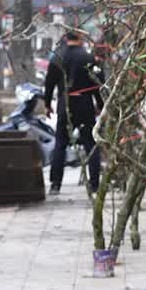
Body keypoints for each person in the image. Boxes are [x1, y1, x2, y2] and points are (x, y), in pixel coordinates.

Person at [44, 28, 104, 195]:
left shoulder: (57, 57)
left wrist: (47, 104)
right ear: (80, 38)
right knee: (91, 145)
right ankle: (94, 185)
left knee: (60, 144)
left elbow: (49, 84)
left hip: (66, 105)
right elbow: (98, 85)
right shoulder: (89, 58)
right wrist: (100, 104)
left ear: (66, 38)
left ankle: (55, 184)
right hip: (85, 105)